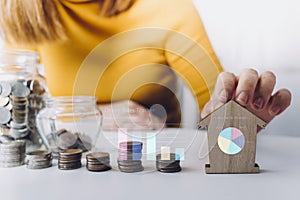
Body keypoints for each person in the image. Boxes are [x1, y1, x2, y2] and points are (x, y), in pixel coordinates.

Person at [0, 0, 291, 131]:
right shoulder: (22, 9)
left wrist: (236, 117)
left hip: (155, 173)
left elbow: (215, 108)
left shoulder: (167, 7)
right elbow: (13, 116)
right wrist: (89, 116)